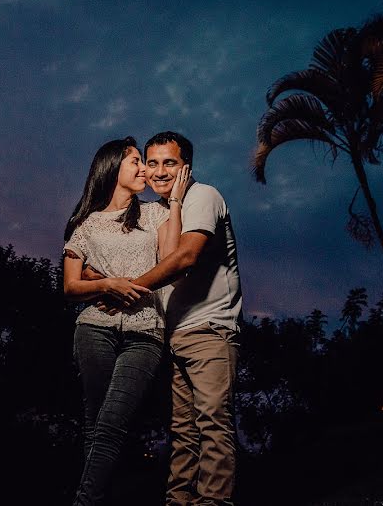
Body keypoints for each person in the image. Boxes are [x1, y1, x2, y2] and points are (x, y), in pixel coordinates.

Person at [63, 136, 191, 506]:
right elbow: (70, 287)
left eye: (144, 162)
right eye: (136, 161)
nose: (144, 169)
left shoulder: (154, 213)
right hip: (94, 329)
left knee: (113, 424)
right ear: (112, 167)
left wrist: (177, 202)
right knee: (94, 425)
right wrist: (107, 284)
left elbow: (169, 261)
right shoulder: (86, 224)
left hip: (146, 332)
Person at [128, 131, 243, 506]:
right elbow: (161, 257)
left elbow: (183, 259)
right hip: (176, 335)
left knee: (212, 423)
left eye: (170, 162)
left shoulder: (203, 196)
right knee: (182, 431)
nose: (160, 171)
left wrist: (129, 289)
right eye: (153, 162)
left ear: (186, 167)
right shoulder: (165, 209)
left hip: (210, 328)